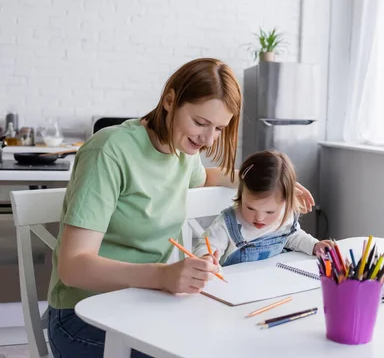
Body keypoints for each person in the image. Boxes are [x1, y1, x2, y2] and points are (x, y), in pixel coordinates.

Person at [46, 58, 315, 358]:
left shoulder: (182, 152)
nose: (208, 138)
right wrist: (162, 276)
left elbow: (207, 177)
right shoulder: (109, 151)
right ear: (170, 100)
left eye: (219, 128)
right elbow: (73, 266)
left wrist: (269, 184)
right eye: (200, 123)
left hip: (145, 303)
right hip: (83, 315)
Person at [194, 150, 332, 266]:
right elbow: (208, 244)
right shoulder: (229, 222)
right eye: (250, 208)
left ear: (286, 203)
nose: (259, 218)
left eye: (270, 212)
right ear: (241, 194)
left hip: (272, 282)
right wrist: (206, 257)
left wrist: (314, 245)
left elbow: (293, 237)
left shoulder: (285, 216)